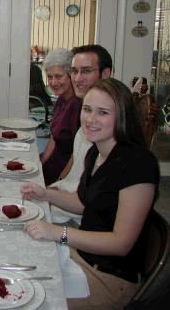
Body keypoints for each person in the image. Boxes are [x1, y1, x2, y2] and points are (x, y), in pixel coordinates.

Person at [21, 78, 159, 309]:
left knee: (28, 300)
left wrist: (58, 232)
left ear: (122, 116)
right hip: (82, 256)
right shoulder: (97, 152)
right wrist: (45, 194)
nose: (90, 119)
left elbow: (120, 243)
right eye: (87, 109)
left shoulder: (138, 164)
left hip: (108, 277)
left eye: (102, 112)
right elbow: (84, 203)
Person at [48, 44, 113, 223]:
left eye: (85, 71)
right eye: (74, 71)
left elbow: (92, 201)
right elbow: (75, 163)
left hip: (77, 218)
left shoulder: (106, 128)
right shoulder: (86, 115)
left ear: (105, 74)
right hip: (67, 199)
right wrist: (55, 187)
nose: (77, 78)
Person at [40, 48, 82, 185]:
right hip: (52, 164)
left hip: (65, 171)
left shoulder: (78, 105)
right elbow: (53, 137)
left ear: (71, 75)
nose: (53, 82)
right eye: (50, 77)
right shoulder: (61, 99)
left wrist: (61, 182)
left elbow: (78, 154)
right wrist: (41, 162)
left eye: (58, 76)